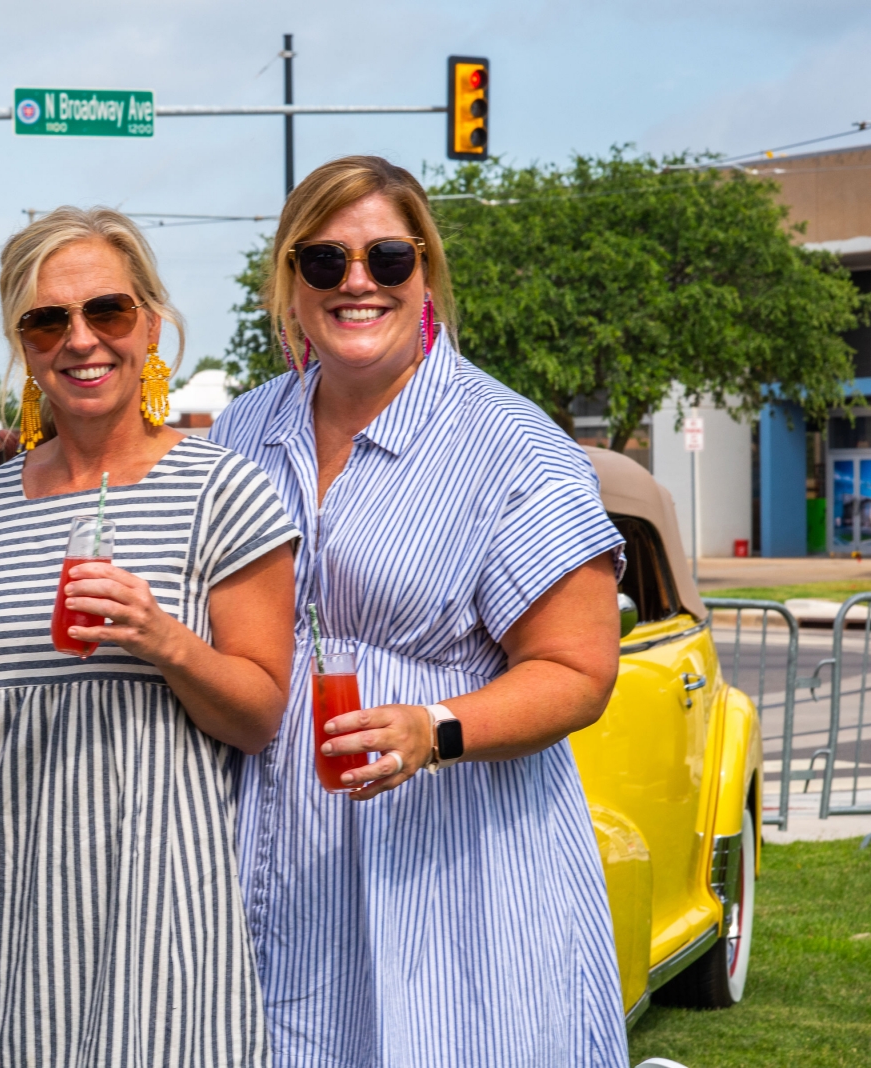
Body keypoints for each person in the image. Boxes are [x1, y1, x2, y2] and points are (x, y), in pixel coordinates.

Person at [210, 155, 630, 1066]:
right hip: (277, 871)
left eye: (387, 260)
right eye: (324, 262)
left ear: (426, 272)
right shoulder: (242, 432)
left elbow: (580, 672)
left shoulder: (511, 444)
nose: (356, 282)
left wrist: (433, 728)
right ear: (290, 282)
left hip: (455, 873)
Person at [0, 207, 299, 1068]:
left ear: (154, 326)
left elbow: (259, 716)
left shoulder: (225, 490)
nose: (81, 340)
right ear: (23, 347)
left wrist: (161, 639)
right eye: (47, 320)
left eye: (109, 311)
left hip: (154, 908)